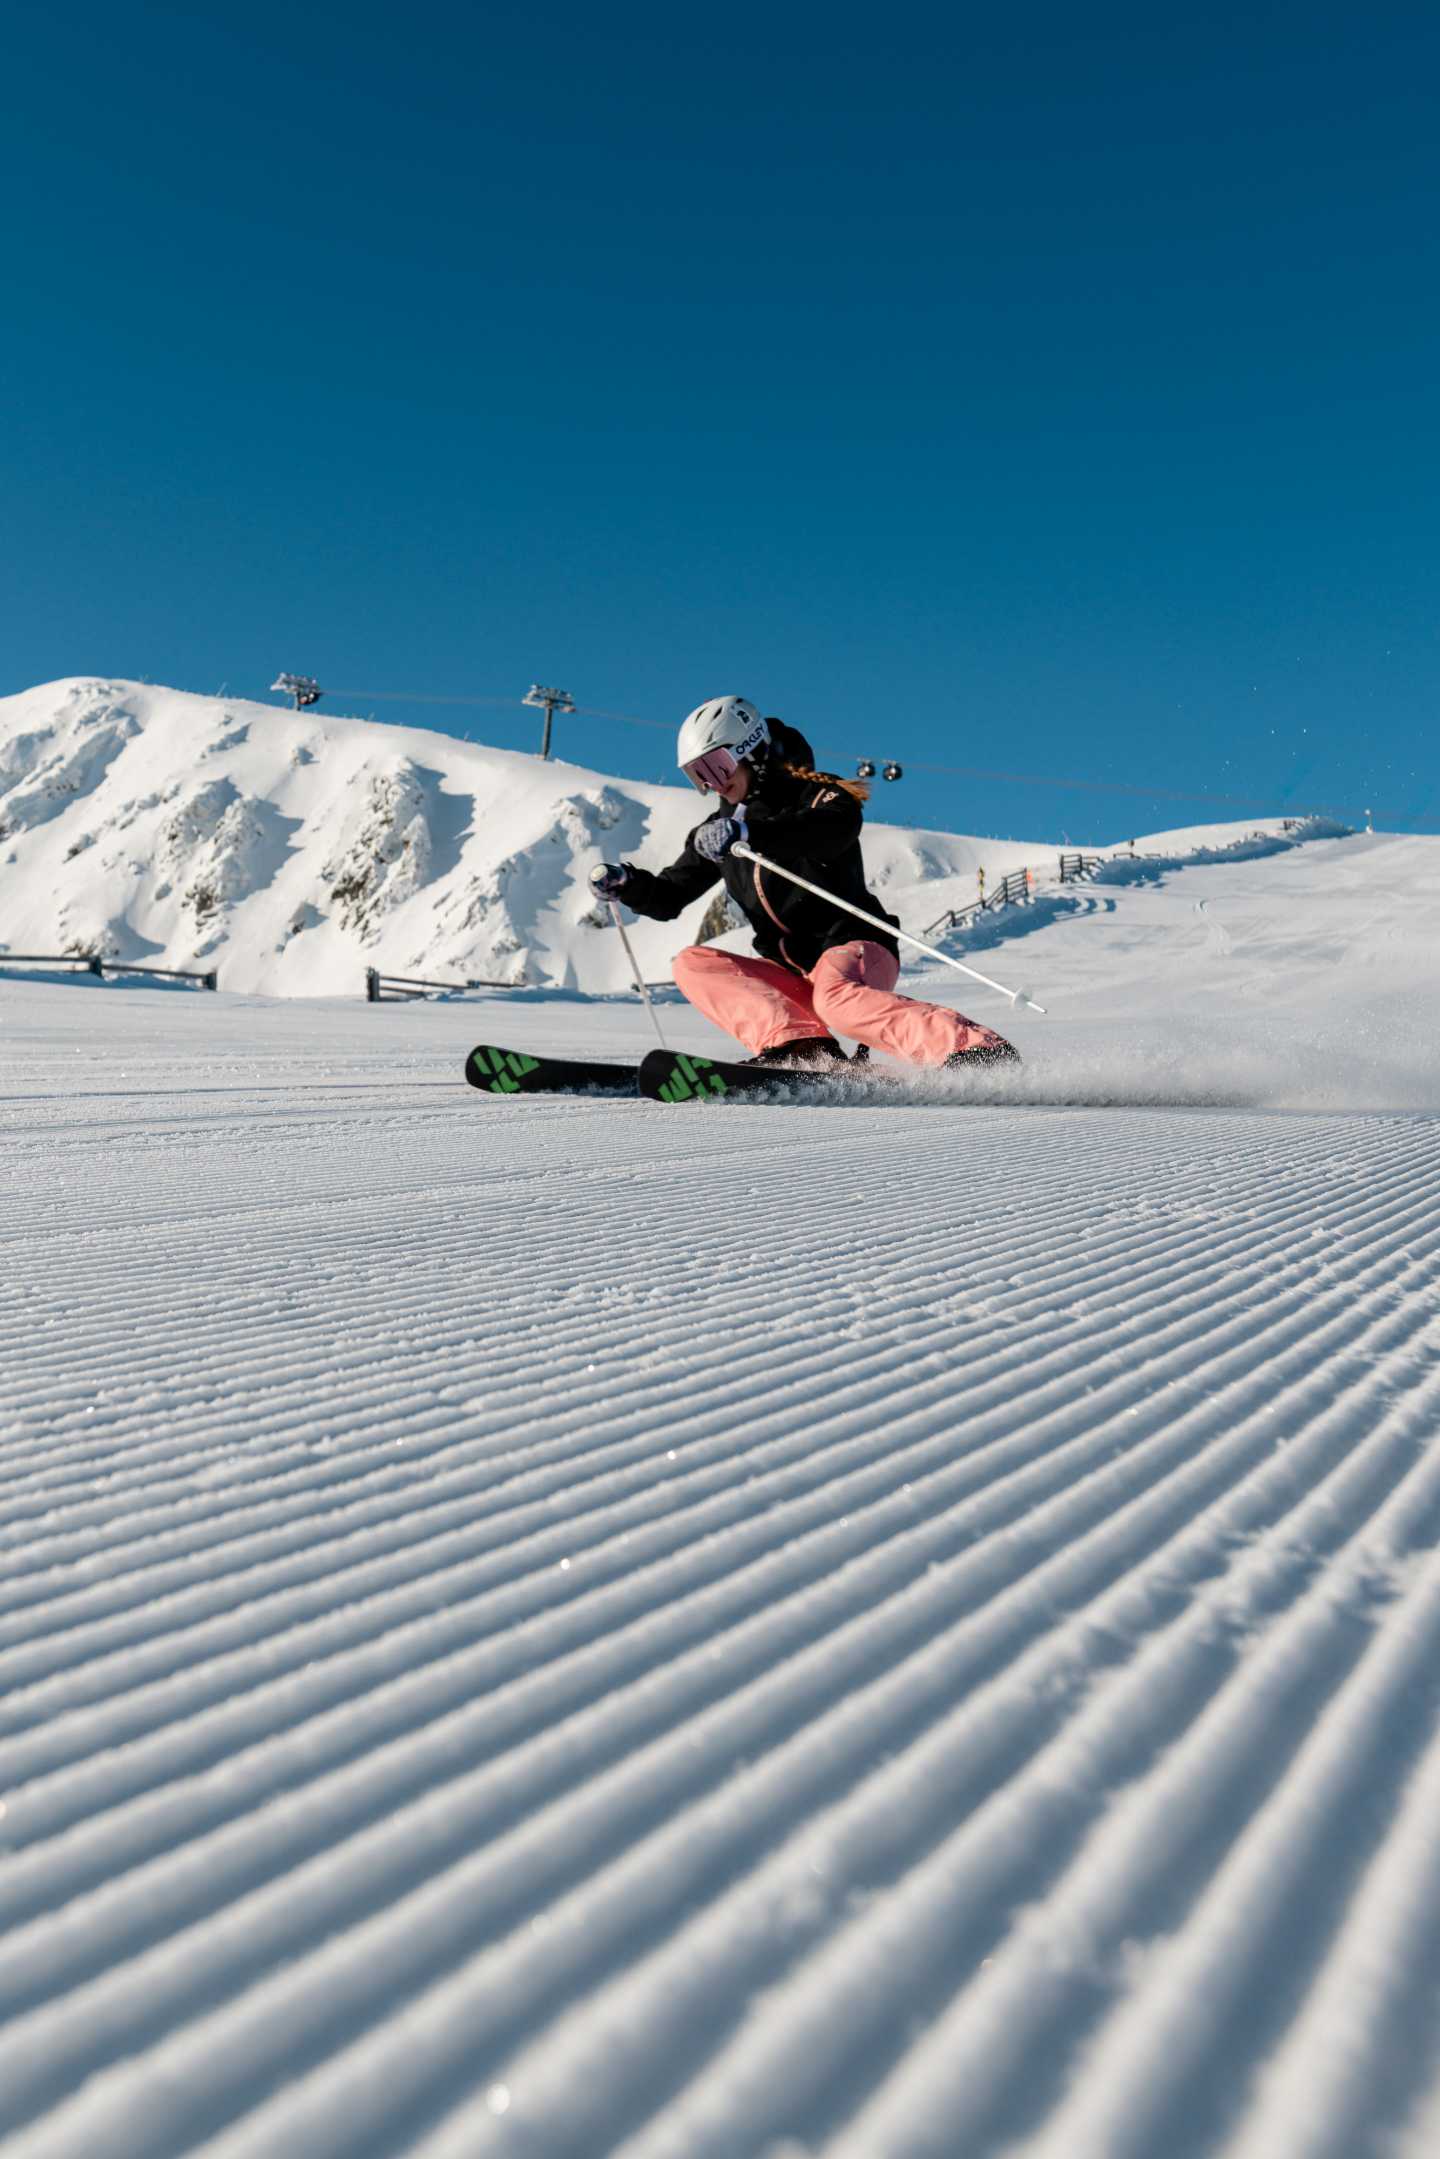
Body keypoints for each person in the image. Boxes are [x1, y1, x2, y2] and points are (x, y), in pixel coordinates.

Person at [590, 696, 1018, 1071]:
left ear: (751, 750)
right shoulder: (718, 830)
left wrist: (752, 836)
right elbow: (668, 897)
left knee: (836, 999)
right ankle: (801, 1045)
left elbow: (833, 829)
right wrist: (627, 883)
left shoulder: (821, 795)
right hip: (793, 970)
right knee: (691, 962)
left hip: (855, 945)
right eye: (700, 775)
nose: (715, 783)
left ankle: (976, 1050)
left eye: (718, 766)